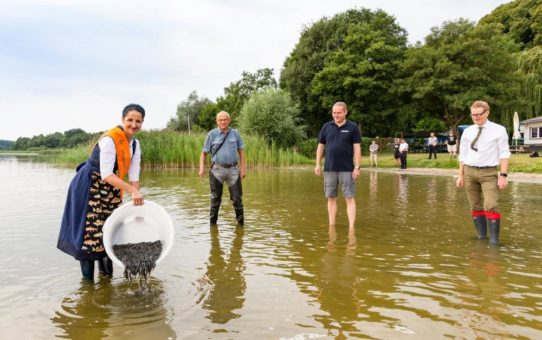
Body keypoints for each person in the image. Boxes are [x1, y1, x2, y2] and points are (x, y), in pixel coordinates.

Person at [57, 104, 145, 281]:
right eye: (130, 120)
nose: (134, 124)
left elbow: (134, 175)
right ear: (122, 120)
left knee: (109, 233)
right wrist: (130, 190)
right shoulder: (110, 140)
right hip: (90, 186)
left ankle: (106, 281)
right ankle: (88, 286)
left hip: (112, 188)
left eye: (138, 121)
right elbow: (106, 174)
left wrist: (136, 203)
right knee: (89, 235)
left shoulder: (134, 144)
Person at [456, 100, 510, 245]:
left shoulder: (499, 130)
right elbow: (463, 155)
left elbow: (504, 153)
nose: (475, 118)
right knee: (475, 205)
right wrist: (460, 175)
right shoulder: (467, 131)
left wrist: (503, 176)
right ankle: (481, 238)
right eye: (473, 115)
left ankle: (494, 242)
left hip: (489, 173)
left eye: (478, 114)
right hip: (469, 172)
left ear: (487, 113)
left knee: (490, 205)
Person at [315, 102, 362, 238]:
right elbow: (320, 146)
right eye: (334, 112)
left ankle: (351, 228)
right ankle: (332, 226)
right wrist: (317, 164)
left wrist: (357, 167)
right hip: (329, 168)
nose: (336, 115)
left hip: (347, 169)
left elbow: (357, 148)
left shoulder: (352, 127)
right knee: (331, 197)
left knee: (349, 197)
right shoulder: (326, 127)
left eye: (339, 113)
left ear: (345, 112)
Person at [199, 111, 246, 226]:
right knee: (215, 200)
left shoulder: (235, 133)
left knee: (237, 200)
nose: (223, 122)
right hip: (216, 170)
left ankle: (240, 226)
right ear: (217, 121)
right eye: (220, 120)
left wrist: (243, 169)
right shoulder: (212, 134)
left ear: (229, 120)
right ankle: (212, 226)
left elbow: (241, 152)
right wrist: (202, 168)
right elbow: (203, 153)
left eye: (225, 119)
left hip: (233, 170)